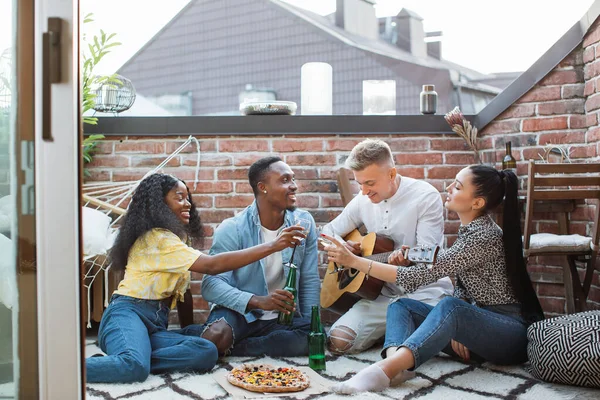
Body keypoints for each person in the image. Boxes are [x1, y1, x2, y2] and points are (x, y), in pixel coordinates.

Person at [323, 165, 545, 394]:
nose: (449, 188)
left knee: (450, 306)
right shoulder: (468, 231)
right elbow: (463, 285)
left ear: (477, 203)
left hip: (508, 335)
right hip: (480, 328)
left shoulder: (483, 236)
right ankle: (399, 366)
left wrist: (356, 262)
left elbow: (417, 276)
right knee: (400, 305)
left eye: (457, 186)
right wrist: (465, 321)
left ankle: (382, 370)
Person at [86, 173, 305, 383]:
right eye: (179, 197)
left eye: (187, 197)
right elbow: (212, 265)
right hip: (126, 315)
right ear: (159, 204)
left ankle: (131, 355)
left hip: (155, 326)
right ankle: (111, 362)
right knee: (134, 367)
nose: (188, 203)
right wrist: (273, 245)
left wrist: (188, 331)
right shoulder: (156, 238)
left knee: (206, 350)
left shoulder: (177, 240)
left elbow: (185, 296)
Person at [321, 139, 453, 354]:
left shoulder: (425, 196)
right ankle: (395, 332)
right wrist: (344, 247)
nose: (363, 191)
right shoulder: (362, 199)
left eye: (370, 183)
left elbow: (427, 256)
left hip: (423, 294)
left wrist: (406, 262)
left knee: (439, 344)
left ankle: (398, 333)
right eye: (359, 183)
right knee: (338, 342)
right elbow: (327, 232)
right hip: (382, 296)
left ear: (391, 174)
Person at [181, 157, 320, 357]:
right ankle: (222, 339)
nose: (294, 186)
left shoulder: (304, 222)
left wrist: (310, 323)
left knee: (315, 337)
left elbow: (309, 279)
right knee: (218, 334)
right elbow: (211, 286)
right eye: (285, 180)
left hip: (281, 319)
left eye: (294, 180)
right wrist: (258, 301)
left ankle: (234, 347)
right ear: (262, 187)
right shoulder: (233, 228)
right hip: (240, 313)